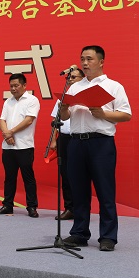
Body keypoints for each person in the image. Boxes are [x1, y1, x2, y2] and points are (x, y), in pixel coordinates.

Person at [60, 45, 131, 252]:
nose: (84, 63)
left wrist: (104, 114)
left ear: (101, 62)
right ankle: (79, 233)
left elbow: (126, 114)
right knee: (79, 191)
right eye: (82, 59)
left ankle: (108, 236)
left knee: (105, 192)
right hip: (76, 143)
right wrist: (63, 108)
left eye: (89, 59)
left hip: (101, 143)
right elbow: (65, 117)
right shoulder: (74, 87)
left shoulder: (113, 86)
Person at [0, 73, 40, 217]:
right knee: (9, 177)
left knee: (28, 178)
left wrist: (11, 132)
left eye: (16, 85)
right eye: (11, 86)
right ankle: (7, 205)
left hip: (24, 145)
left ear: (24, 85)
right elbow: (2, 120)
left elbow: (29, 120)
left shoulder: (32, 100)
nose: (13, 89)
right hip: (8, 146)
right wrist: (7, 135)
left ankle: (32, 206)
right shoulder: (8, 102)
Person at [49, 68, 85, 220]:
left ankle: (81, 208)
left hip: (79, 138)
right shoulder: (63, 97)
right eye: (69, 77)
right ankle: (69, 207)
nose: (70, 80)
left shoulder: (85, 96)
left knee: (80, 174)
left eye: (74, 77)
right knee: (65, 173)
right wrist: (53, 140)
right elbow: (55, 120)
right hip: (63, 138)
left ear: (83, 78)